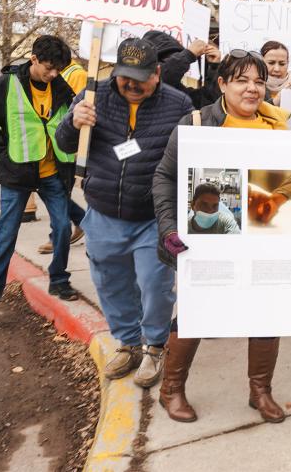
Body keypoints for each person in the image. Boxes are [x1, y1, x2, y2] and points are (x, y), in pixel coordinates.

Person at [153, 50, 291, 424]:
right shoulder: (198, 123)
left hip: (264, 235)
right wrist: (169, 227)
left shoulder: (279, 129)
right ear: (222, 84)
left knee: (268, 311)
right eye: (242, 80)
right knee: (199, 312)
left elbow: (281, 185)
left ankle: (260, 391)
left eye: (259, 81)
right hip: (211, 236)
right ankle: (171, 390)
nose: (252, 89)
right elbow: (164, 177)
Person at [56, 38, 193, 388]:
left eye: (140, 78)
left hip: (152, 217)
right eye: (124, 78)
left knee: (155, 286)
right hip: (103, 212)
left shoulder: (179, 104)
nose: (131, 85)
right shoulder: (93, 96)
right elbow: (64, 143)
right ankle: (129, 342)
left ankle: (153, 346)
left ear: (157, 73)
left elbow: (190, 160)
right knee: (111, 283)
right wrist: (74, 122)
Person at [0, 35, 78, 307]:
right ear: (34, 60)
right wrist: (3, 156)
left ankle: (59, 279)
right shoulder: (7, 84)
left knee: (63, 227)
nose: (53, 74)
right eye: (48, 68)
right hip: (17, 172)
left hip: (52, 172)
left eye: (58, 70)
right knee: (6, 234)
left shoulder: (63, 88)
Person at [37, 53, 88, 255]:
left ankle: (61, 233)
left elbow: (73, 110)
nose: (52, 72)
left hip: (64, 149)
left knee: (57, 193)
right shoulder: (62, 74)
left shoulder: (76, 75)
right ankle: (76, 224)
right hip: (51, 148)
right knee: (54, 193)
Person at [143, 30, 222, 108]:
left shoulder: (178, 92)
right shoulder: (139, 85)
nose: (180, 71)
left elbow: (207, 102)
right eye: (166, 60)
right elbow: (156, 79)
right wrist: (188, 55)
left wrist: (214, 67)